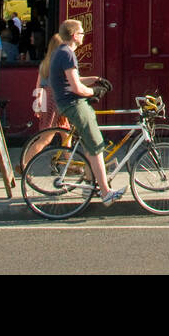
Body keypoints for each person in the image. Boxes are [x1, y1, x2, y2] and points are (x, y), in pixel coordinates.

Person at [41, 19, 123, 204]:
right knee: (96, 147)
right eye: (81, 33)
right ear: (74, 35)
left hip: (67, 103)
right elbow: (77, 88)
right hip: (74, 104)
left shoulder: (60, 52)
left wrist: (95, 79)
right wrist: (95, 91)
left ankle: (89, 181)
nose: (84, 36)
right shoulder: (67, 54)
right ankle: (105, 192)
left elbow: (72, 80)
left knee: (89, 144)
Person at [20, 22, 79, 171]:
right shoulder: (61, 61)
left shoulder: (45, 63)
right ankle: (24, 164)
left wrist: (38, 104)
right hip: (57, 99)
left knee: (65, 134)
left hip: (47, 98)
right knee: (47, 137)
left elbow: (38, 86)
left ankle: (68, 164)